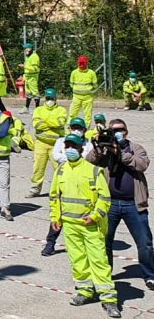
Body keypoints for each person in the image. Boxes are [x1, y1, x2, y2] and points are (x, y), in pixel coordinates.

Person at [50, 133, 119, 317]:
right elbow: (55, 196)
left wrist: (95, 216)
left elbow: (105, 198)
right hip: (71, 225)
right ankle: (85, 292)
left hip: (91, 225)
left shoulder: (94, 170)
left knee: (99, 260)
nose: (71, 149)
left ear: (81, 149)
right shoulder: (61, 170)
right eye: (68, 146)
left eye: (74, 146)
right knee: (78, 260)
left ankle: (109, 299)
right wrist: (55, 218)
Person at [85, 119, 154, 291]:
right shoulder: (107, 148)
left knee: (145, 242)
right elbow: (90, 161)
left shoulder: (135, 148)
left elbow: (142, 164)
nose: (117, 132)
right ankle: (105, 274)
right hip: (110, 204)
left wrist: (121, 152)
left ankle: (150, 275)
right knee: (105, 242)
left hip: (134, 203)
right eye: (113, 130)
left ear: (126, 131)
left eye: (120, 129)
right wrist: (100, 147)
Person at [43, 117, 96, 255]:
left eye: (79, 128)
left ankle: (84, 241)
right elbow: (56, 155)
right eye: (74, 128)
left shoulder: (89, 144)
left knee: (84, 211)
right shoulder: (60, 141)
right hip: (64, 179)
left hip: (82, 182)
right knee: (58, 211)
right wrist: (73, 157)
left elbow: (88, 158)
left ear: (84, 130)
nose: (76, 130)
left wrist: (69, 157)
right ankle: (50, 242)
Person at [28, 88, 67, 197]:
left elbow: (60, 122)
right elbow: (37, 124)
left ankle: (60, 189)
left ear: (56, 98)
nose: (50, 100)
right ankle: (35, 189)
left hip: (56, 144)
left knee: (59, 168)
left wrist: (45, 122)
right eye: (48, 98)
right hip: (41, 143)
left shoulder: (61, 110)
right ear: (45, 98)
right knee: (38, 167)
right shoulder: (38, 110)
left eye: (52, 98)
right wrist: (52, 124)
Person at [69, 55, 98, 127]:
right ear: (77, 63)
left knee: (87, 114)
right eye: (80, 63)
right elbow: (71, 83)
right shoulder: (74, 72)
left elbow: (95, 84)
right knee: (72, 113)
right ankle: (70, 127)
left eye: (83, 63)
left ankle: (86, 128)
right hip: (76, 97)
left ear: (87, 63)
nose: (81, 65)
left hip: (87, 97)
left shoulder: (91, 73)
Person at [20, 42, 41, 112]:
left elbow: (35, 68)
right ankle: (26, 108)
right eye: (24, 49)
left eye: (26, 49)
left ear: (30, 49)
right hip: (28, 76)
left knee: (35, 93)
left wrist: (24, 66)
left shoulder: (34, 56)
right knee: (28, 93)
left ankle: (37, 109)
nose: (25, 50)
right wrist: (24, 76)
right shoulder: (28, 56)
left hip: (33, 77)